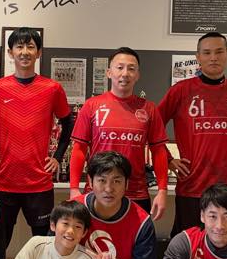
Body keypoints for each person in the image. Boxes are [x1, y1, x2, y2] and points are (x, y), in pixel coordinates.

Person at [157, 32, 227, 237]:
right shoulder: (180, 91)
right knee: (189, 245)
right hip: (192, 186)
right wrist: (168, 160)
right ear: (198, 57)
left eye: (219, 52)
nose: (213, 58)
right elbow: (153, 127)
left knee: (226, 244)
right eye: (207, 53)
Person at [0, 27, 73, 245]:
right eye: (19, 46)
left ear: (39, 52)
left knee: (43, 243)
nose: (25, 52)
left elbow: (68, 123)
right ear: (10, 52)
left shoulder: (52, 88)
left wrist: (57, 157)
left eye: (30, 46)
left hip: (39, 182)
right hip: (5, 180)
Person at [70, 47, 169, 220]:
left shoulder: (149, 109)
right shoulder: (91, 106)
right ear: (109, 72)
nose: (125, 73)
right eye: (120, 67)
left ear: (137, 75)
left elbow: (159, 151)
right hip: (98, 191)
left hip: (136, 193)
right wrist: (73, 188)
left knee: (136, 238)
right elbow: (79, 149)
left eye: (131, 69)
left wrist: (162, 190)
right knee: (94, 237)